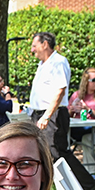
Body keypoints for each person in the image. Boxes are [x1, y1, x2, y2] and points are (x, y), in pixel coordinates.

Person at [28, 32, 72, 160]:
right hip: (39, 115)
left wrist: (46, 117)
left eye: (34, 45)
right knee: (41, 152)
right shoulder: (42, 65)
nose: (32, 50)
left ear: (45, 44)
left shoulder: (58, 62)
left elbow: (60, 91)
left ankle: (83, 181)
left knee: (57, 152)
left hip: (53, 115)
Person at [68, 68, 95, 177]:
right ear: (86, 82)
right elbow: (68, 116)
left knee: (87, 137)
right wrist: (71, 110)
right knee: (61, 135)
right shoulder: (76, 95)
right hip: (76, 128)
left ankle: (91, 173)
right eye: (94, 80)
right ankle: (67, 170)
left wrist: (89, 110)